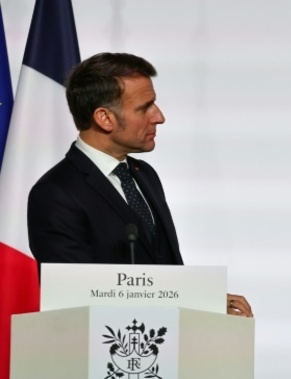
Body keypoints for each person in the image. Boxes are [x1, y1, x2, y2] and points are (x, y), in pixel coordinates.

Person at [27, 52, 252, 317]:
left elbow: (164, 269)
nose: (159, 117)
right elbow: (75, 300)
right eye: (145, 108)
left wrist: (203, 306)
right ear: (105, 118)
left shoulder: (144, 175)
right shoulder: (56, 193)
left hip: (166, 339)